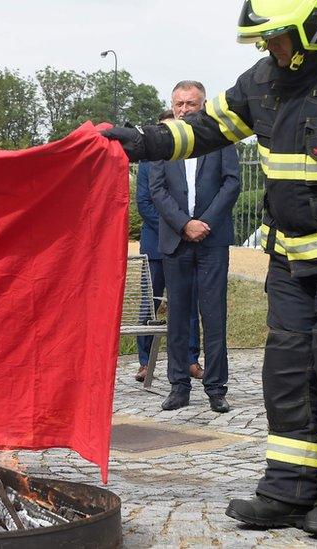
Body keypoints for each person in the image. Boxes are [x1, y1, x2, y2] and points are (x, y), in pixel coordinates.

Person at [102, 0, 317, 538]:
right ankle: (288, 490)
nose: (267, 47)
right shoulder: (263, 79)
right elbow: (208, 128)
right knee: (284, 377)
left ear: (314, 27)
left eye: (276, 36)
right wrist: (141, 141)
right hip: (289, 261)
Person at [149, 83, 240, 412]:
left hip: (212, 240)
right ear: (171, 106)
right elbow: (157, 190)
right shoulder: (162, 142)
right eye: (178, 104)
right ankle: (178, 385)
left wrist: (205, 222)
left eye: (190, 104)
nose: (184, 110)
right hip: (175, 241)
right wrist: (184, 224)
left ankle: (216, 388)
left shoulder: (221, 137)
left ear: (202, 105)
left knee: (214, 315)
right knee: (177, 317)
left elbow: (232, 182)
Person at [135, 109, 201, 384]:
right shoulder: (148, 162)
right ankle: (143, 362)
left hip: (185, 244)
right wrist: (176, 225)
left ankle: (190, 360)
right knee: (149, 305)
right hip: (155, 244)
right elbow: (145, 202)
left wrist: (185, 226)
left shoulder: (191, 157)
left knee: (187, 303)